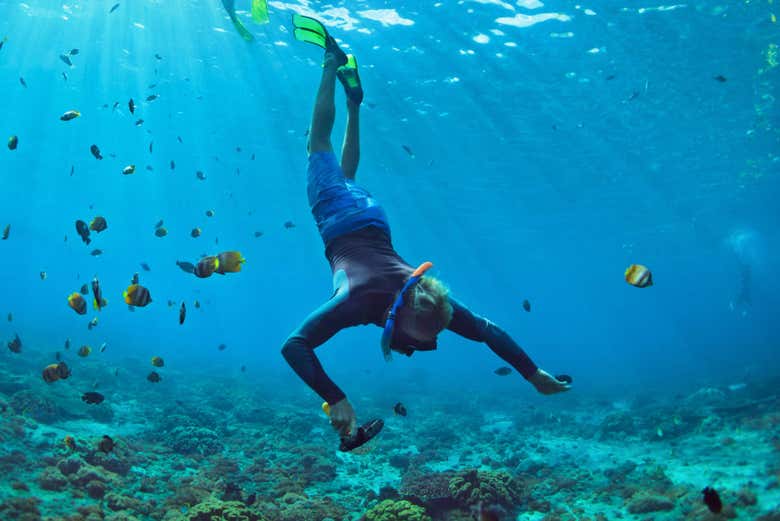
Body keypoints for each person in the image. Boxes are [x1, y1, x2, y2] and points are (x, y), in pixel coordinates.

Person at [282, 17, 570, 439]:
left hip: (373, 217)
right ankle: (330, 61)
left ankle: (355, 103)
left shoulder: (427, 304)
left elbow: (486, 331)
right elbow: (293, 345)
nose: (422, 347)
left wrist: (533, 374)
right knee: (318, 146)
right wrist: (335, 396)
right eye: (419, 340)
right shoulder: (359, 299)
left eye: (429, 340)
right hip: (341, 219)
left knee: (347, 175)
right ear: (396, 314)